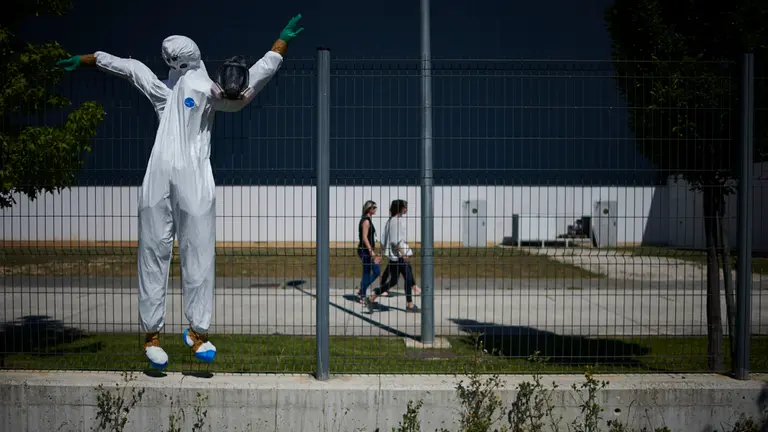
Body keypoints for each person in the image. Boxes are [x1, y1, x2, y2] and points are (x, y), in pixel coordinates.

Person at [55, 15, 305, 370]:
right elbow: (130, 68)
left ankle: (196, 332)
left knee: (198, 252)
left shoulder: (204, 89)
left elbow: (241, 90)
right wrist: (88, 59)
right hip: (159, 178)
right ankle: (152, 336)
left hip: (191, 178)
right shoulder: (166, 91)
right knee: (154, 253)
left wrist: (280, 46)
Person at [367, 199, 421, 313]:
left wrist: (381, 254)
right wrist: (403, 254)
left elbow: (384, 239)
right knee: (408, 278)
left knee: (393, 281)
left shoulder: (391, 220)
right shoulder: (396, 221)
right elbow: (394, 241)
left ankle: (372, 297)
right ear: (400, 208)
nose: (406, 209)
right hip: (398, 256)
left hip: (394, 256)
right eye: (405, 207)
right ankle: (410, 305)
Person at [356, 200, 381, 303]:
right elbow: (364, 238)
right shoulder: (366, 221)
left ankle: (362, 291)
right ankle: (362, 293)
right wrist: (371, 251)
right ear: (369, 209)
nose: (375, 209)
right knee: (375, 271)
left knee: (371, 271)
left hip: (367, 250)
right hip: (365, 251)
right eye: (374, 208)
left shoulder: (368, 219)